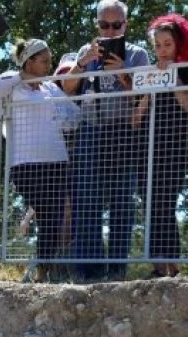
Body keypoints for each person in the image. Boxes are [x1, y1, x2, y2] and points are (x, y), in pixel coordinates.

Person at [60, 0, 152, 281]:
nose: (110, 31)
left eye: (116, 25)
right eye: (104, 25)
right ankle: (89, 270)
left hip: (123, 131)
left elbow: (144, 95)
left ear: (126, 25)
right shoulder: (85, 53)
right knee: (86, 200)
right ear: (96, 24)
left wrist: (122, 73)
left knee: (122, 202)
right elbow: (67, 88)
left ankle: (117, 271)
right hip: (90, 129)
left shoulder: (138, 54)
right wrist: (81, 63)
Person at [0, 39, 81, 279]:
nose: (48, 66)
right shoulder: (12, 85)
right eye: (44, 61)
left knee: (52, 217)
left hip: (56, 160)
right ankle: (40, 268)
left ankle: (43, 270)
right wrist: (21, 76)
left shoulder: (50, 88)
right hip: (24, 163)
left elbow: (73, 116)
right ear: (29, 62)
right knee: (44, 208)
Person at [131, 14, 188, 278]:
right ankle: (157, 263)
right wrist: (148, 93)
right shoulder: (147, 73)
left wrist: (172, 76)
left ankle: (172, 263)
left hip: (174, 145)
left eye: (167, 44)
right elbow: (135, 120)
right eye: (158, 45)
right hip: (146, 146)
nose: (162, 50)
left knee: (166, 200)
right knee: (150, 201)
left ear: (177, 44)